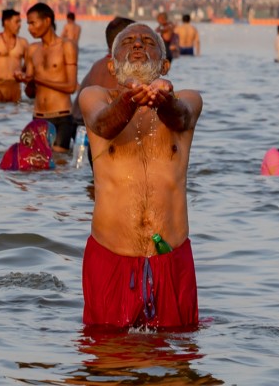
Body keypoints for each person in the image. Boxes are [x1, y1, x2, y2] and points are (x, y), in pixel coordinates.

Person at [77, 24, 204, 330]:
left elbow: (181, 115)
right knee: (107, 360)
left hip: (170, 256)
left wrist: (165, 101)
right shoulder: (94, 96)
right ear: (111, 64)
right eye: (128, 42)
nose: (137, 45)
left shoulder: (187, 98)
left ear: (164, 64)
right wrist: (130, 99)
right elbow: (103, 125)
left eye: (148, 42)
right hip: (111, 255)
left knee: (178, 358)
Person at [21, 3, 80, 155]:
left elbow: (71, 87)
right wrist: (27, 82)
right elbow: (30, 93)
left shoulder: (66, 47)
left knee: (58, 167)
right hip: (38, 116)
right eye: (28, 24)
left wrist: (39, 80)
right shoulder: (32, 50)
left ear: (47, 21)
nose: (29, 28)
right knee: (35, 165)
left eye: (33, 23)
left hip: (62, 117)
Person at [0, 9, 27, 103]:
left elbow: (29, 65)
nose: (19, 25)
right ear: (6, 22)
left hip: (14, 87)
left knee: (16, 116)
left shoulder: (23, 43)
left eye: (20, 22)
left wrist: (22, 73)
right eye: (17, 22)